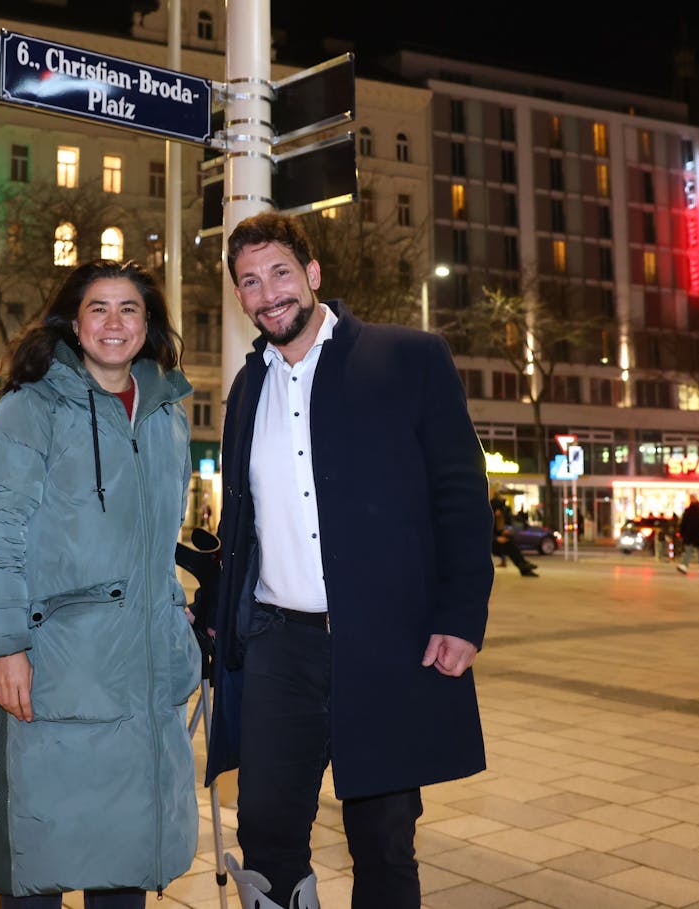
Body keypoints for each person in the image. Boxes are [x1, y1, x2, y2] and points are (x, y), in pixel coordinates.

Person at [207, 213, 494, 909]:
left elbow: (459, 493)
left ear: (313, 274)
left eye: (279, 272)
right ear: (240, 298)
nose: (268, 292)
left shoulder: (409, 357)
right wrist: (217, 613)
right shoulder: (247, 389)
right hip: (280, 644)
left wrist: (461, 615)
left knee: (384, 836)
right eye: (249, 281)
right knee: (267, 828)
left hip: (385, 641)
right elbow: (242, 521)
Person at [0, 260, 198, 908]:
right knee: (40, 858)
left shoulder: (169, 416)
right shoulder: (33, 407)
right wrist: (5, 645)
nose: (114, 323)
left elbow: (155, 543)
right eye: (99, 308)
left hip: (141, 675)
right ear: (74, 321)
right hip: (54, 674)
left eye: (129, 309)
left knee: (123, 868)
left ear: (149, 325)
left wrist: (181, 628)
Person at [491, 495, 539, 577]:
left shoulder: (498, 518)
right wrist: (496, 538)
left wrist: (503, 533)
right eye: (497, 510)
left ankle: (524, 566)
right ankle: (523, 565)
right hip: (489, 543)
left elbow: (497, 531)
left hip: (494, 542)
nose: (498, 512)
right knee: (509, 545)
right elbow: (484, 532)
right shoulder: (489, 518)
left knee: (510, 542)